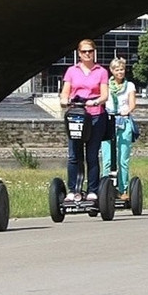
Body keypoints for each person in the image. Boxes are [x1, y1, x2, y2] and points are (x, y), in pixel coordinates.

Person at [58, 39, 108, 202]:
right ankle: (73, 190)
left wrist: (96, 101)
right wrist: (64, 99)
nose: (87, 54)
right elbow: (65, 92)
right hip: (77, 115)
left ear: (94, 52)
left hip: (95, 116)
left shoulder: (101, 71)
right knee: (74, 155)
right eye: (84, 51)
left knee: (92, 155)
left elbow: (104, 94)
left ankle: (93, 190)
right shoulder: (72, 71)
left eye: (90, 51)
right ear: (79, 53)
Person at [107, 57, 137, 201]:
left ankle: (122, 189)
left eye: (122, 69)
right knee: (107, 159)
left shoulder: (129, 85)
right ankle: (105, 188)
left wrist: (126, 111)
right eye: (117, 69)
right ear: (112, 71)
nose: (120, 72)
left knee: (122, 160)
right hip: (108, 122)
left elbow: (132, 104)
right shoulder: (105, 86)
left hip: (123, 122)